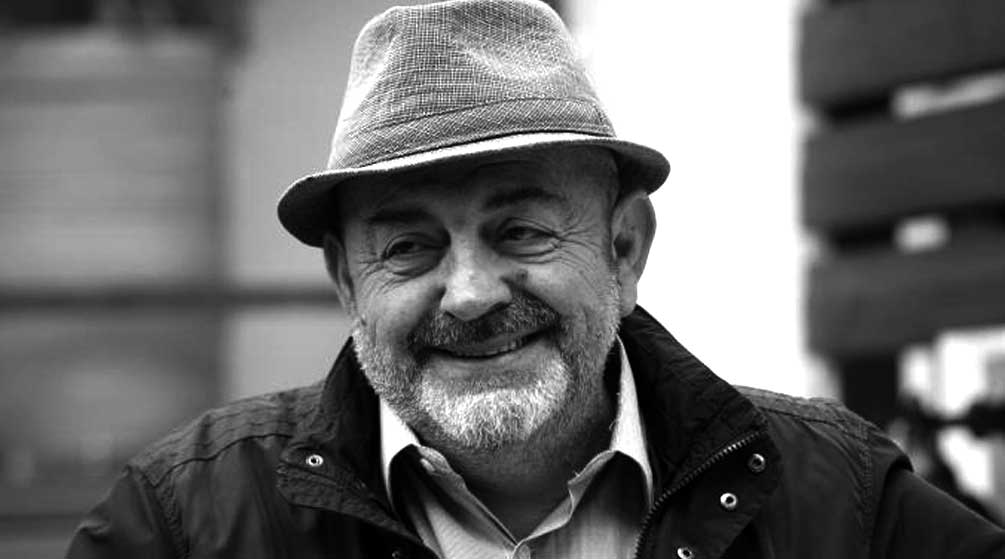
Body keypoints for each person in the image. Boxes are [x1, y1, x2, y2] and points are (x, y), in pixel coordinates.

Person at [68, 0, 1005, 557]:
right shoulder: (184, 523)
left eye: (519, 230)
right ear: (347, 282)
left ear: (624, 249)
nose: (471, 292)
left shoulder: (838, 501)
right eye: (410, 247)